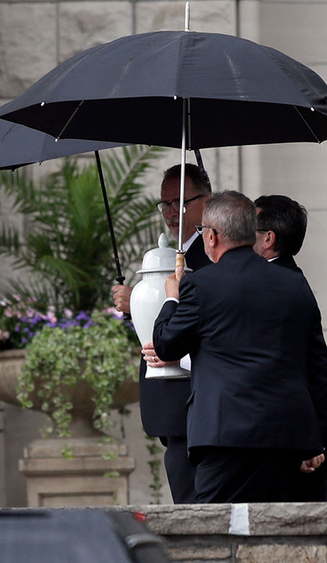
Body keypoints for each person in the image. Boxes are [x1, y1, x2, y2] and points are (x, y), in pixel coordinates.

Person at [150, 191, 327, 503]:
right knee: (277, 529)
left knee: (217, 528)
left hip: (226, 438)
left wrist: (172, 297)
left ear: (212, 236)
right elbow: (318, 364)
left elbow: (166, 344)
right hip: (286, 438)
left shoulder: (201, 285)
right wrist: (315, 439)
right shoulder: (294, 283)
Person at [111, 163, 212, 504]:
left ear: (206, 201)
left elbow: (195, 325)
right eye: (165, 204)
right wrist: (135, 309)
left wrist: (140, 302)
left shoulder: (208, 256)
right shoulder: (174, 255)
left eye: (180, 203)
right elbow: (155, 332)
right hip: (171, 406)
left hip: (194, 403)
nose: (171, 213)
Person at [254, 194, 327, 501]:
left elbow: (298, 369)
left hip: (297, 445)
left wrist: (309, 440)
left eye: (247, 228)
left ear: (268, 239)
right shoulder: (282, 279)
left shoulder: (280, 284)